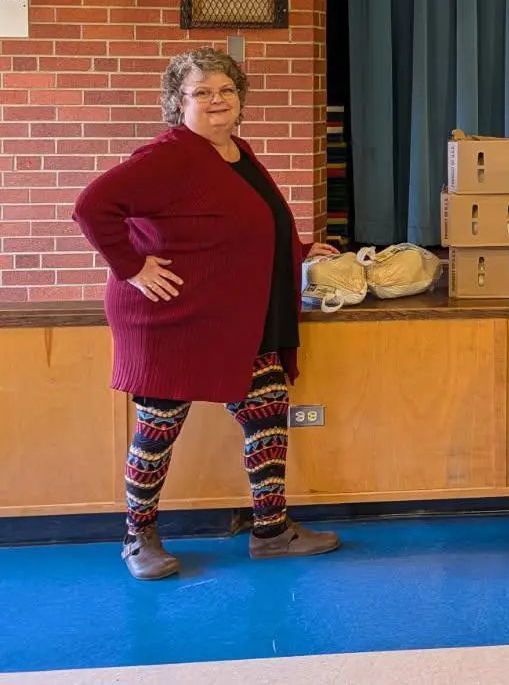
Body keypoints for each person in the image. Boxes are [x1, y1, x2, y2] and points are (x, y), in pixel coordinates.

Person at [72, 48, 342, 580]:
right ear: (178, 102)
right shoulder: (170, 155)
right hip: (171, 318)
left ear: (239, 98)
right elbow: (91, 206)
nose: (216, 100)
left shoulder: (235, 151)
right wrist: (131, 267)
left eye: (225, 90)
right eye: (201, 92)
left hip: (236, 315)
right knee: (157, 430)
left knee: (266, 415)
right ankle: (137, 537)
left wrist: (300, 249)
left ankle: (271, 530)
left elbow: (242, 225)